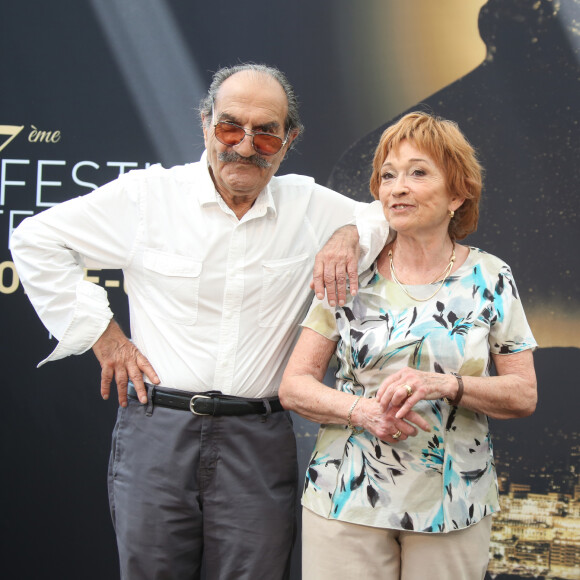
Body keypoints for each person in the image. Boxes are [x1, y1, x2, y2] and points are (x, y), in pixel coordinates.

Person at [9, 63, 388, 580]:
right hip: (156, 432)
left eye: (266, 133)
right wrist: (105, 336)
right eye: (230, 127)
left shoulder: (309, 205)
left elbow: (381, 216)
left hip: (259, 437)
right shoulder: (148, 197)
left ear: (289, 139)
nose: (245, 146)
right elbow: (35, 240)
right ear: (205, 123)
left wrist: (348, 234)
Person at [279, 111, 538, 580]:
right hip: (346, 495)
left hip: (453, 500)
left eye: (418, 173)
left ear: (457, 194)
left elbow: (522, 394)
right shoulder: (348, 271)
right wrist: (364, 412)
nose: (397, 187)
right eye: (387, 175)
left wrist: (442, 384)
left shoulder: (491, 277)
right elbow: (295, 386)